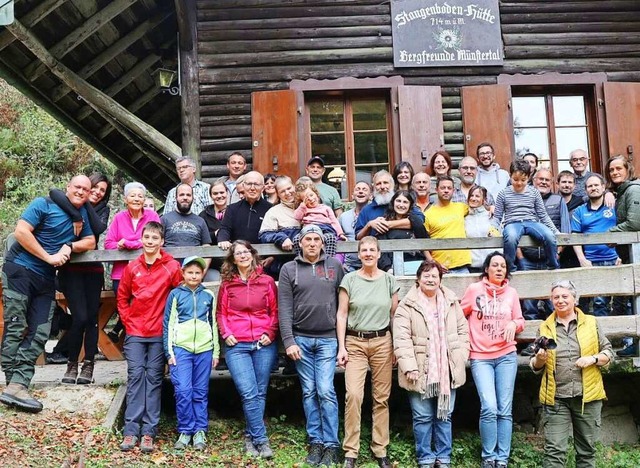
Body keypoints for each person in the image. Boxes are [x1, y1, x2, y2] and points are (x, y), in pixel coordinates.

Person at [0, 176, 95, 413]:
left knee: (41, 331)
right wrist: (49, 257)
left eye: (86, 189)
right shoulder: (43, 204)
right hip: (20, 270)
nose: (81, 191)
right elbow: (21, 231)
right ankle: (14, 385)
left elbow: (91, 241)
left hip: (46, 280)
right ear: (68, 188)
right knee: (15, 325)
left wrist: (69, 246)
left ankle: (17, 385)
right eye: (77, 187)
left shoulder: (82, 215)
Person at [278, 225, 345, 467]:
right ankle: (316, 440)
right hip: (301, 340)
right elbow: (284, 308)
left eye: (317, 239)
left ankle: (332, 444)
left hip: (328, 339)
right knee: (309, 391)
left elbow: (344, 305)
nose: (313, 243)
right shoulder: (289, 269)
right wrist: (289, 341)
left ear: (322, 243)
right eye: (308, 239)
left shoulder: (335, 267)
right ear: (301, 243)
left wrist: (342, 342)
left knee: (326, 390)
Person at [393, 260, 469, 468]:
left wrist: (460, 356)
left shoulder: (451, 302)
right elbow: (401, 338)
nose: (430, 279)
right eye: (426, 275)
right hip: (418, 368)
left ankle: (443, 457)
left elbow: (463, 330)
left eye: (434, 276)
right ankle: (425, 457)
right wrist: (409, 366)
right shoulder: (407, 306)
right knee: (423, 416)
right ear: (418, 279)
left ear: (440, 280)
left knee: (445, 415)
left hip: (447, 368)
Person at [530, 280, 613, 468]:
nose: (560, 300)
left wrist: (592, 359)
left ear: (574, 299)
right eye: (556, 297)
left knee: (586, 451)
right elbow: (535, 365)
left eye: (565, 296)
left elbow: (608, 353)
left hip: (588, 397)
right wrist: (540, 360)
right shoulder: (545, 327)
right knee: (554, 452)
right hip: (556, 398)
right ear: (551, 301)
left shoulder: (591, 322)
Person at [117, 221, 182, 453]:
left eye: (155, 238)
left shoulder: (172, 266)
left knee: (154, 379)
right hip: (135, 331)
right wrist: (128, 320)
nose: (151, 242)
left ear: (162, 241)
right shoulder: (132, 266)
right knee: (135, 376)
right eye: (147, 237)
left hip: (159, 333)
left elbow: (179, 296)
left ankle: (148, 432)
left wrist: (171, 326)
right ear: (142, 240)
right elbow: (122, 297)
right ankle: (130, 431)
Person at [337, 236, 399, 468]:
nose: (368, 253)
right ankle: (351, 451)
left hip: (383, 341)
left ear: (379, 253)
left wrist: (397, 347)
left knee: (381, 398)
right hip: (355, 341)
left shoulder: (389, 280)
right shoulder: (349, 279)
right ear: (359, 254)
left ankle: (380, 447)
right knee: (353, 395)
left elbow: (394, 316)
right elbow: (342, 314)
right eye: (364, 250)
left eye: (372, 249)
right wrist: (341, 346)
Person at [460, 252, 525, 468]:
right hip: (481, 357)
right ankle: (489, 457)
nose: (499, 269)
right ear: (486, 269)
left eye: (503, 266)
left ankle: (502, 459)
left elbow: (520, 319)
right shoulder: (473, 290)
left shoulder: (512, 293)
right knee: (489, 406)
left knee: (504, 409)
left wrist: (514, 325)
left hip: (506, 355)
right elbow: (459, 315)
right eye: (495, 265)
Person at [216, 240, 278, 459]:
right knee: (249, 392)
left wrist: (269, 333)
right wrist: (226, 333)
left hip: (263, 343)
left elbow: (275, 311)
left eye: (245, 252)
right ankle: (261, 440)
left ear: (252, 255)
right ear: (233, 259)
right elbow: (221, 314)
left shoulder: (267, 281)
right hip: (237, 344)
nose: (242, 256)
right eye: (237, 253)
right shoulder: (227, 284)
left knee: (260, 392)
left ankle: (251, 436)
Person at [50, 173, 112, 385]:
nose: (96, 192)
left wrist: (82, 209)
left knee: (92, 319)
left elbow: (98, 229)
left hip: (93, 271)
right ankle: (71, 364)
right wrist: (76, 213)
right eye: (94, 187)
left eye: (102, 191)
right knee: (80, 317)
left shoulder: (100, 209)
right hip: (71, 270)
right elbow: (54, 192)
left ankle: (88, 365)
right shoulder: (68, 201)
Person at [163, 256, 220, 451]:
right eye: (190, 272)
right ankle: (186, 429)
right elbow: (168, 324)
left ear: (202, 274)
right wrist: (169, 352)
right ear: (183, 273)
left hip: (205, 349)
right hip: (181, 349)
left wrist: (215, 351)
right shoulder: (175, 295)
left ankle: (200, 430)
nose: (194, 276)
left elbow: (213, 323)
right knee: (183, 390)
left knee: (200, 391)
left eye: (197, 272)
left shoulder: (209, 295)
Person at [105, 182, 161, 342]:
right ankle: (132, 345)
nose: (137, 199)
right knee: (125, 308)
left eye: (140, 196)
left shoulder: (152, 216)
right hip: (121, 274)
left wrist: (128, 243)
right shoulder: (119, 218)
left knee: (146, 309)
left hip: (149, 271)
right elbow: (109, 244)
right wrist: (120, 244)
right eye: (133, 195)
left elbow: (156, 239)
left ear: (144, 200)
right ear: (125, 199)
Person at [492, 160, 560, 273]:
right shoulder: (503, 193)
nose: (519, 183)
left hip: (531, 222)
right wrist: (493, 228)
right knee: (511, 238)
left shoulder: (534, 192)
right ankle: (510, 268)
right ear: (510, 176)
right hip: (512, 223)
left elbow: (543, 215)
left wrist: (555, 231)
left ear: (529, 177)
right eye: (515, 179)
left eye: (523, 180)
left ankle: (552, 265)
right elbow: (497, 216)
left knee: (549, 236)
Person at [606, 154, 640, 357]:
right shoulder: (622, 192)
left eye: (619, 168)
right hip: (630, 255)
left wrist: (612, 234)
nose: (615, 172)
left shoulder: (633, 190)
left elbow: (635, 224)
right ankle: (636, 345)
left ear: (628, 169)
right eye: (611, 170)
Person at [572, 174, 620, 316]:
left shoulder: (613, 206)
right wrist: (582, 259)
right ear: (586, 190)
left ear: (603, 187)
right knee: (599, 301)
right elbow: (575, 236)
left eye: (596, 185)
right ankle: (601, 336)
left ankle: (625, 336)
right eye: (590, 186)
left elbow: (625, 228)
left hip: (614, 260)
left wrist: (621, 255)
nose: (593, 188)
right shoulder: (580, 210)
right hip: (591, 261)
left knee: (621, 298)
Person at [161, 183, 214, 278]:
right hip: (169, 270)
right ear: (176, 197)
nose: (185, 198)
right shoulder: (165, 219)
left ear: (193, 198)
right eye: (181, 195)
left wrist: (201, 273)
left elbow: (207, 248)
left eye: (188, 195)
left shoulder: (200, 221)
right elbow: (158, 245)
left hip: (193, 271)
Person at [355, 170, 424, 239]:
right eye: (378, 184)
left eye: (385, 183)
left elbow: (419, 221)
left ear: (392, 185)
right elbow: (358, 237)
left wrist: (388, 224)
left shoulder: (402, 204)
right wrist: (369, 225)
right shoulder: (367, 210)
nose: (382, 187)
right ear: (374, 187)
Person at [424, 176, 471, 274]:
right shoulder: (428, 214)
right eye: (443, 188)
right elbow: (422, 243)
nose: (446, 191)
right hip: (440, 268)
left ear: (453, 190)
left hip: (462, 265)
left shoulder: (461, 207)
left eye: (449, 188)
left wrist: (490, 207)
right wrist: (433, 262)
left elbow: (479, 209)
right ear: (436, 190)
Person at [377, 190, 429, 275]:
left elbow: (424, 243)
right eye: (398, 201)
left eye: (405, 202)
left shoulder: (415, 222)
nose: (401, 205)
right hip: (393, 268)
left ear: (410, 205)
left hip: (416, 265)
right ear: (393, 202)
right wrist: (387, 268)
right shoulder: (384, 222)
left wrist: (431, 262)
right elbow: (382, 250)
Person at [217, 171, 272, 250]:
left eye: (256, 184)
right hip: (238, 256)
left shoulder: (270, 209)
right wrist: (223, 240)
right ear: (243, 186)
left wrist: (271, 257)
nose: (252, 188)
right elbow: (225, 229)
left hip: (262, 257)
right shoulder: (232, 209)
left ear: (263, 188)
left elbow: (274, 234)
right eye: (249, 184)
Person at [294, 185, 346, 256]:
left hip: (325, 229)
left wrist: (340, 234)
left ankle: (328, 260)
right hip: (309, 230)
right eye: (306, 199)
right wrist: (302, 205)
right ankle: (301, 261)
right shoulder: (304, 208)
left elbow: (334, 221)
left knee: (330, 238)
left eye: (311, 195)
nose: (310, 199)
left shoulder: (325, 208)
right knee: (297, 239)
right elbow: (297, 217)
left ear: (316, 194)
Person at [465, 185, 501, 273]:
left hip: (490, 267)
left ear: (484, 199)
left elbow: (499, 237)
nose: (473, 198)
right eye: (471, 195)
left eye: (477, 196)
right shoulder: (464, 217)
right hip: (471, 266)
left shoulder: (491, 216)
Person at [339, 181, 372, 272]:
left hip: (371, 262)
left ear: (370, 196)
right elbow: (338, 238)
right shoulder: (344, 217)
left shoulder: (374, 215)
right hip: (349, 265)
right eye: (358, 189)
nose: (360, 191)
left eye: (364, 189)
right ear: (352, 195)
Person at [199, 178, 229, 244]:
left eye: (222, 192)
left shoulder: (234, 212)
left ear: (227, 193)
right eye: (215, 193)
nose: (219, 196)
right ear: (211, 196)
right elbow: (200, 237)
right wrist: (215, 234)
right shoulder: (204, 215)